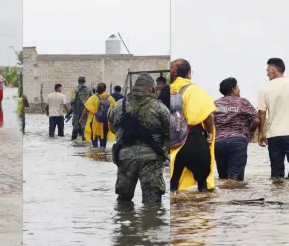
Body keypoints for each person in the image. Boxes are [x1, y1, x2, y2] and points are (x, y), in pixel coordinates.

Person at [108, 73, 169, 204]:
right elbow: (170, 131)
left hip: (125, 158)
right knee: (152, 203)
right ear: (151, 88)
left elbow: (112, 127)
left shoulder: (119, 105)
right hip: (151, 159)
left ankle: (127, 223)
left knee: (123, 201)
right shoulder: (159, 107)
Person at [169, 59, 216, 192]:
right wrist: (210, 135)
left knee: (172, 186)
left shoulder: (166, 90)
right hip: (193, 140)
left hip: (172, 144)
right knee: (202, 187)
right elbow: (208, 116)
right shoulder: (194, 90)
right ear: (189, 74)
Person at [214, 77, 259, 181]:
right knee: (235, 179)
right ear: (233, 89)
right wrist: (251, 131)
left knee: (223, 178)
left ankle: (222, 196)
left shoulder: (215, 103)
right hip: (238, 141)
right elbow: (256, 120)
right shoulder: (242, 102)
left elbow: (209, 120)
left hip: (219, 143)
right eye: (237, 87)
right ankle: (235, 196)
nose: (239, 89)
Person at [258, 58, 289, 179]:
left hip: (274, 135)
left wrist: (261, 133)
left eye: (267, 70)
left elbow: (261, 112)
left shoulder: (264, 88)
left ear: (274, 70)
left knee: (276, 174)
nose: (267, 74)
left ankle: (277, 196)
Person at [80, 83, 116, 148]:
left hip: (95, 121)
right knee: (103, 138)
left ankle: (95, 153)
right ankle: (103, 154)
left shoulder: (93, 97)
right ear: (105, 89)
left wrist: (81, 118)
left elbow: (86, 109)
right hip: (105, 122)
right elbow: (115, 109)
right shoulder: (110, 98)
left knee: (94, 139)